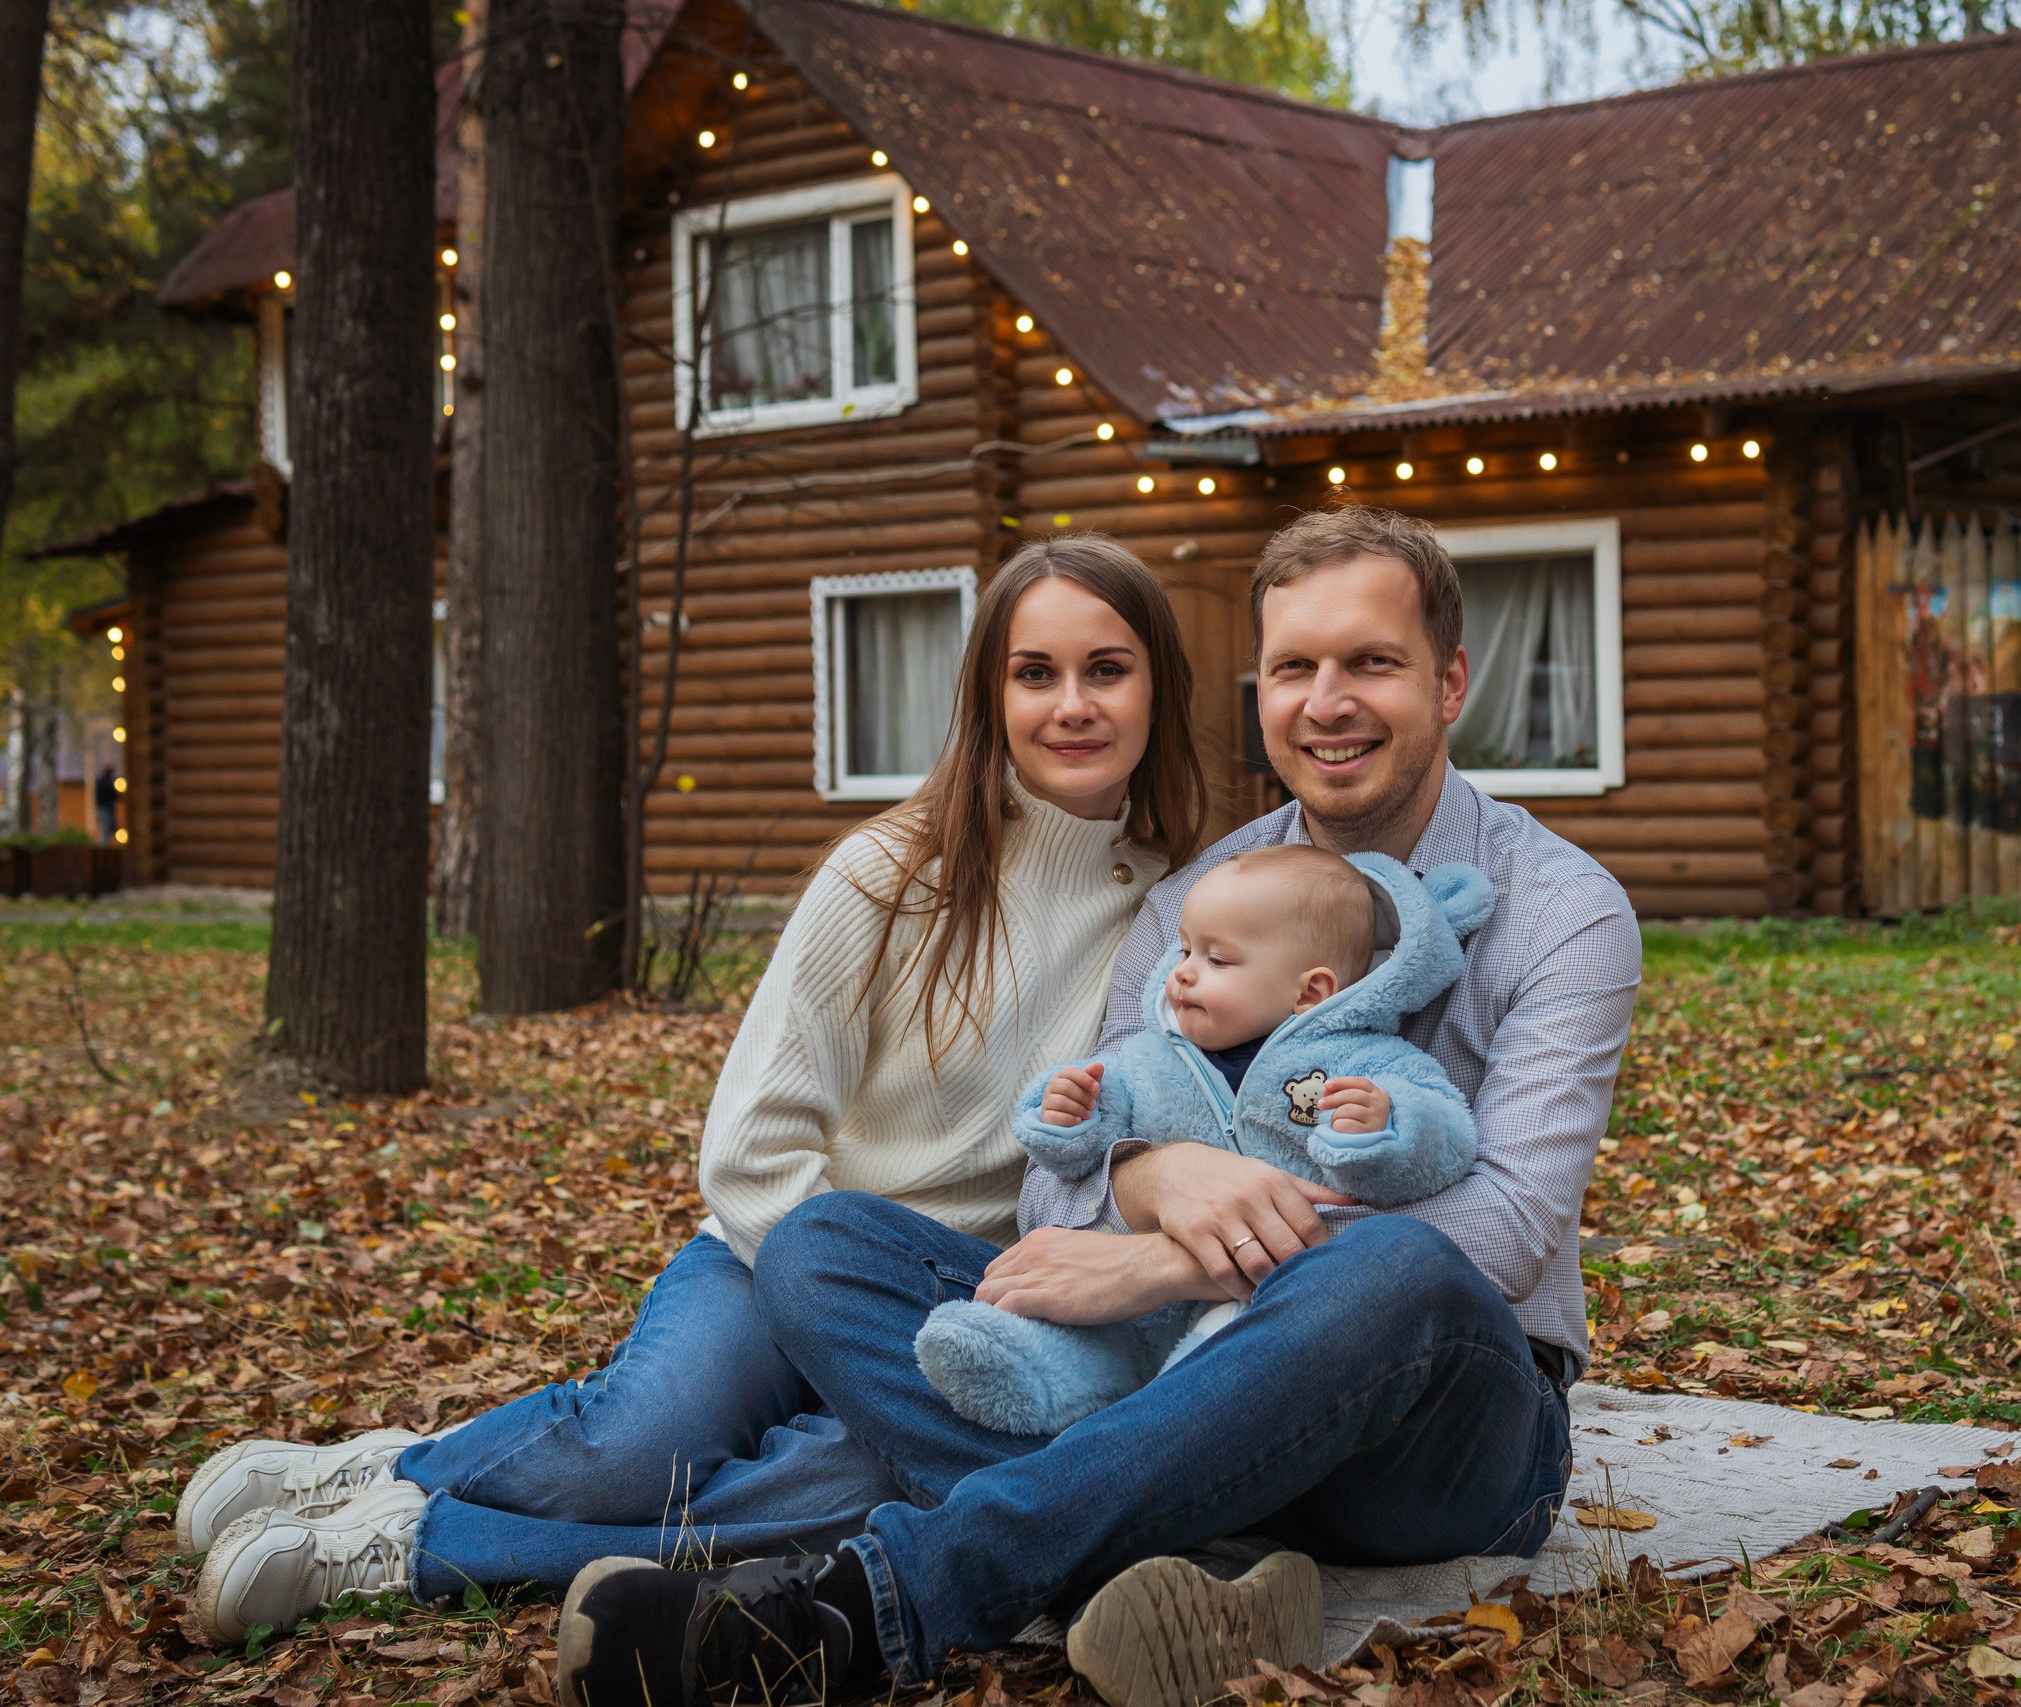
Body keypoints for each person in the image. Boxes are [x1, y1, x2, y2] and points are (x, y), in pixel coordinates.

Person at [553, 506, 1640, 1707]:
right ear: (1259, 688)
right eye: (1293, 668)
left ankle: (865, 1611)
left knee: (1396, 1268)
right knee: (822, 1244)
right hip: (1181, 1386)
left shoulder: (1564, 912)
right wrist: (1139, 1170)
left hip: (1442, 1432)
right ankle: (1186, 1562)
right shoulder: (1194, 901)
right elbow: (1054, 1180)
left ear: (1449, 680)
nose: (1328, 702)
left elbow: (1506, 1233)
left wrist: (1157, 1270)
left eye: (1371, 662)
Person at [184, 536, 1210, 1641]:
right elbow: (755, 1148)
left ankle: (410, 1543)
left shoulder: (1178, 915)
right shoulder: (891, 875)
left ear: (1156, 686)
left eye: (1106, 670)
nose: (1073, 705)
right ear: (987, 695)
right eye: (1033, 673)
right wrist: (831, 1333)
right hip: (780, 1252)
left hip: (959, 1302)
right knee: (630, 1451)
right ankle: (401, 1465)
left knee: (836, 1501)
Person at [914, 846, 1493, 1435]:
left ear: (1310, 992)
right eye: (1185, 949)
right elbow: (1078, 1159)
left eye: (1216, 959)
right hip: (1133, 1305)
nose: (1183, 971)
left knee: (1215, 1372)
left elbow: (1448, 1140)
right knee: (840, 1231)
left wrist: (1388, 1130)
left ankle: (1135, 1446)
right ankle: (1024, 1379)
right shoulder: (1151, 1058)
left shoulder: (1363, 1063)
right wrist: (1068, 1116)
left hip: (1274, 1311)